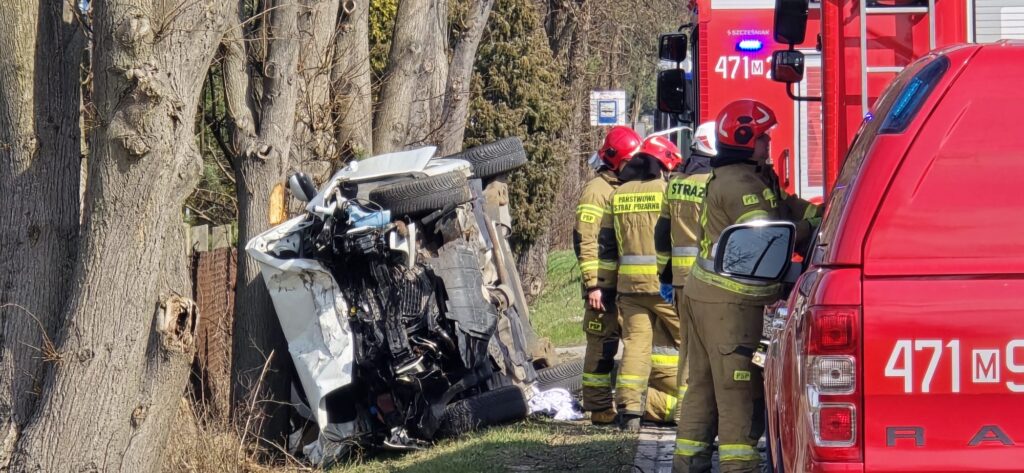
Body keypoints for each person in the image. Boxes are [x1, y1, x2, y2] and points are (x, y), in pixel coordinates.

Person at [673, 100, 819, 473]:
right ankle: (738, 467)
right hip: (730, 305)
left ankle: (688, 464)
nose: (769, 142)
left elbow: (786, 207)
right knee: (738, 391)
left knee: (703, 387)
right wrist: (811, 231)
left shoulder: (752, 176)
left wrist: (823, 213)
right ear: (743, 139)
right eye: (763, 137)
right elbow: (768, 235)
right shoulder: (739, 186)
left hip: (710, 296)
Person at [597, 135, 683, 432]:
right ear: (662, 165)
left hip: (629, 288)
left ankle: (630, 411)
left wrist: (605, 286)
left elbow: (606, 246)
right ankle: (689, 413)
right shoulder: (666, 191)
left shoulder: (617, 194)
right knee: (690, 345)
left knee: (635, 347)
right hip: (664, 286)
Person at [574, 125, 642, 425]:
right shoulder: (596, 191)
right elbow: (586, 240)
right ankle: (600, 408)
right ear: (615, 161)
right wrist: (593, 285)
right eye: (630, 161)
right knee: (602, 346)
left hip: (623, 284)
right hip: (602, 286)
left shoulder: (624, 187)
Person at [653, 121, 717, 432]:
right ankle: (706, 416)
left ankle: (684, 413)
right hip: (712, 279)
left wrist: (664, 274)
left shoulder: (676, 182)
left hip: (681, 280)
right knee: (715, 349)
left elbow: (661, 233)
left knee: (689, 349)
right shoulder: (714, 183)